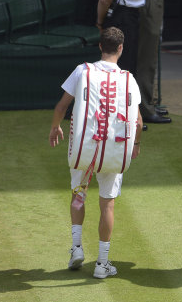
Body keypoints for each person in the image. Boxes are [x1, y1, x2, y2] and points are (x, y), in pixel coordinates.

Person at [49, 27, 143, 278]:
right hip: (113, 152)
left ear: (100, 46)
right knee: (107, 205)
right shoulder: (129, 79)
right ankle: (102, 264)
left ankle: (77, 248)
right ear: (121, 48)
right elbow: (139, 123)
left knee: (78, 194)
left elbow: (62, 106)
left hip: (83, 149)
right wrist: (135, 145)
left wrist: (55, 127)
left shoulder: (82, 71)